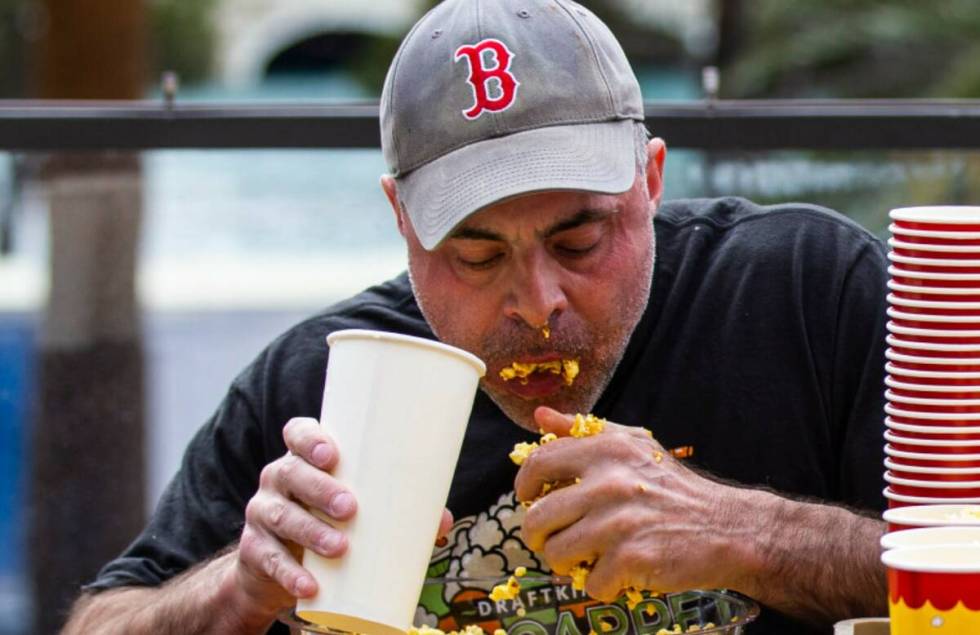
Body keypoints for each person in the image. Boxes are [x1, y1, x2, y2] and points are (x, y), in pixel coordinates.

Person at [64, 0, 889, 633]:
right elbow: (100, 617)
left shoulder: (803, 292)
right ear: (401, 221)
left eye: (580, 236)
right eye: (477, 254)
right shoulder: (322, 379)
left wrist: (749, 530)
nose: (538, 302)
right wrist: (237, 588)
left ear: (651, 180)